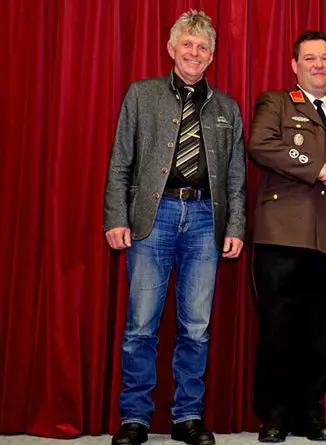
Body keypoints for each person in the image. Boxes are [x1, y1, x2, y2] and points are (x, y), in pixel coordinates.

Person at [103, 9, 246, 445]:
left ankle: (188, 416)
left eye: (203, 47)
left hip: (205, 221)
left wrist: (236, 226)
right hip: (153, 217)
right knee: (141, 325)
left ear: (212, 56)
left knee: (196, 327)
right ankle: (135, 418)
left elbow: (236, 177)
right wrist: (116, 217)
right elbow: (120, 162)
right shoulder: (141, 95)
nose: (194, 53)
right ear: (171, 48)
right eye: (187, 44)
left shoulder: (228, 108)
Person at [247, 30, 326, 443]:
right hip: (281, 236)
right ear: (295, 65)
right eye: (310, 58)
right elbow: (261, 144)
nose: (319, 65)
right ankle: (275, 415)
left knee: (322, 333)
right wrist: (318, 167)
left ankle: (310, 413)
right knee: (278, 329)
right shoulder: (276, 102)